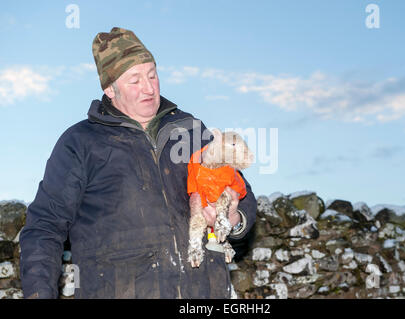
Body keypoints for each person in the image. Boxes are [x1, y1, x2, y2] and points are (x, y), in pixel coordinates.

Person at [19, 27, 257, 299]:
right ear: (110, 88)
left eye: (152, 75)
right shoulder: (80, 142)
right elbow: (44, 226)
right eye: (134, 80)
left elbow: (241, 192)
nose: (149, 88)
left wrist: (235, 218)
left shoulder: (191, 130)